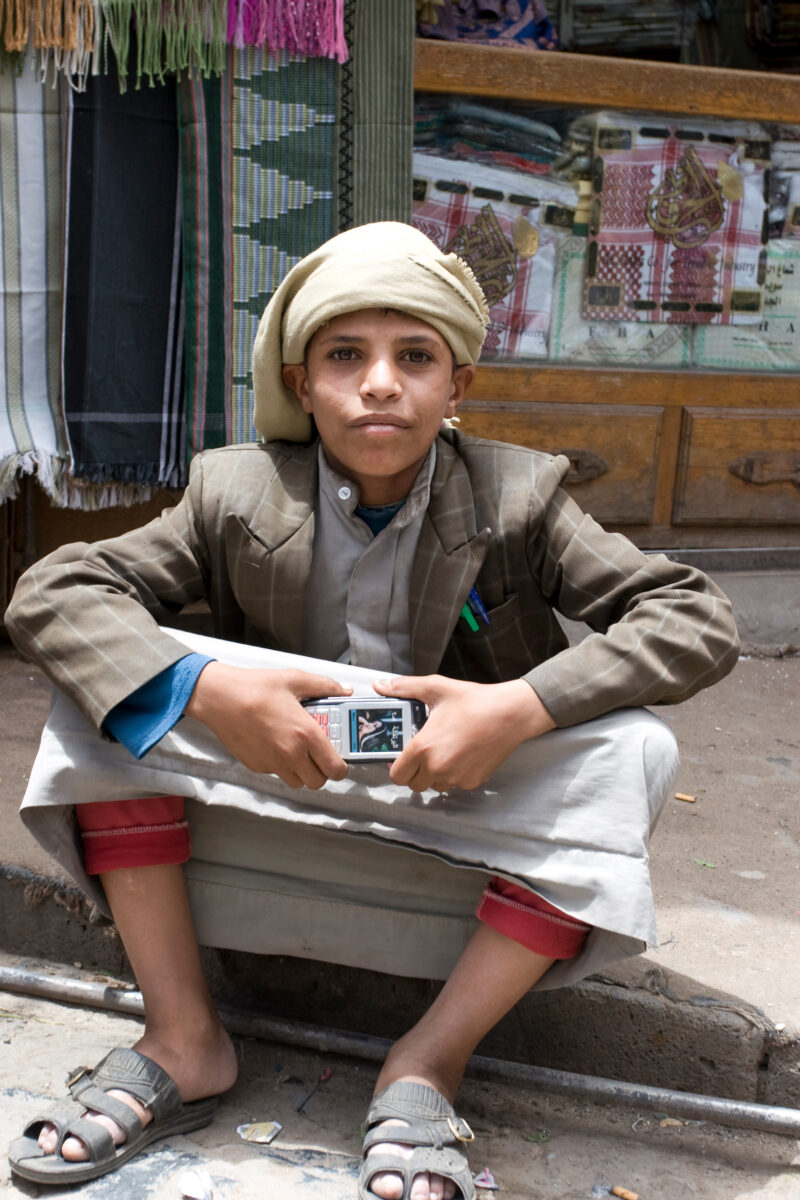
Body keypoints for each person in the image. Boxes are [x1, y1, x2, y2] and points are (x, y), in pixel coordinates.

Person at [4, 221, 739, 1200]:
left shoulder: (519, 497)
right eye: (345, 356)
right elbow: (54, 594)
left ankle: (425, 1064)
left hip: (452, 788)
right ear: (304, 384)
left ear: (455, 387)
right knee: (104, 683)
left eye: (413, 357)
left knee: (632, 751)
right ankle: (182, 1038)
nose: (380, 383)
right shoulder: (234, 490)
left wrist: (513, 709)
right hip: (278, 771)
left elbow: (694, 617)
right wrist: (214, 693)